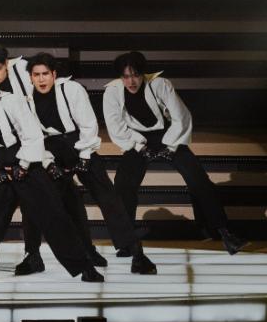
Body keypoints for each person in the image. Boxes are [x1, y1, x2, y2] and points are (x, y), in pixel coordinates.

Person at [0, 66, 104, 285]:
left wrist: (23, 165)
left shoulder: (11, 102)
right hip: (0, 167)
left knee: (54, 215)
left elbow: (32, 134)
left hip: (27, 164)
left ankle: (85, 268)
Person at [20, 53, 157, 275]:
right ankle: (73, 253)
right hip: (50, 150)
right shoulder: (26, 100)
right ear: (30, 77)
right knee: (42, 197)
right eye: (36, 75)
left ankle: (137, 254)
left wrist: (84, 156)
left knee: (108, 198)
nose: (41, 79)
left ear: (54, 74)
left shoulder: (72, 89)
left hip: (80, 143)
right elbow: (33, 136)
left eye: (45, 74)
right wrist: (47, 162)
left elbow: (88, 125)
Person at [103, 51, 247, 255]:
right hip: (137, 139)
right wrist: (139, 147)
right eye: (125, 76)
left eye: (135, 75)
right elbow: (116, 127)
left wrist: (169, 147)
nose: (131, 81)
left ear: (143, 74)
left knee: (198, 179)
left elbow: (181, 116)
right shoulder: (112, 92)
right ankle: (127, 242)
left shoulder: (160, 84)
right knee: (123, 184)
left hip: (168, 135)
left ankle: (224, 233)